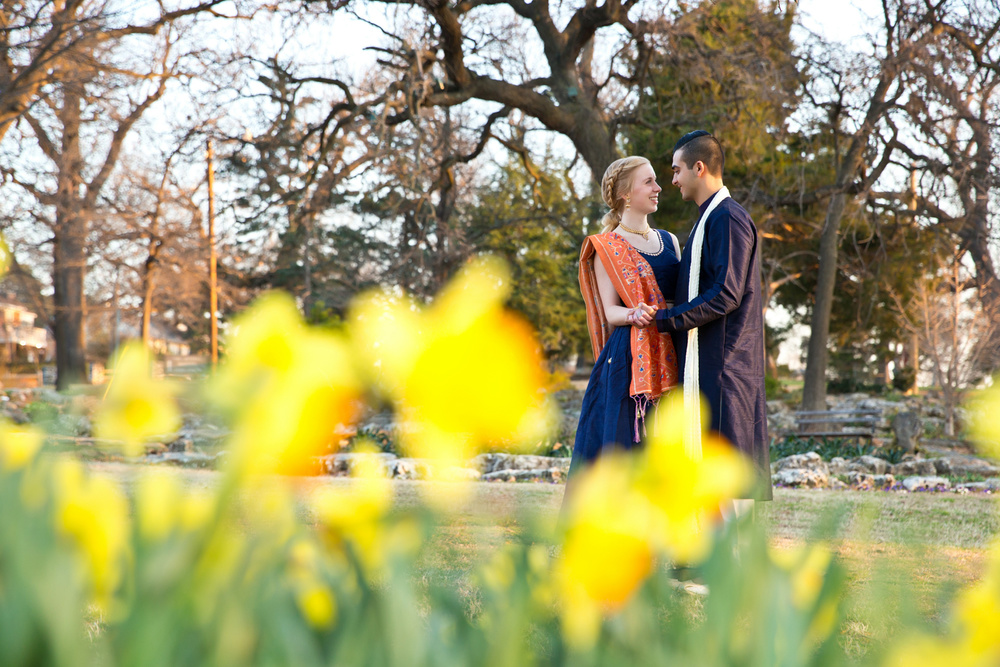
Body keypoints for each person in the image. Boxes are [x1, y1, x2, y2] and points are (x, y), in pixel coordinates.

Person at [654, 130, 772, 506]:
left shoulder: (727, 219)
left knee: (725, 470)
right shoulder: (709, 219)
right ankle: (704, 559)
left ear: (699, 167)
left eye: (676, 170)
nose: (672, 180)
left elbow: (726, 293)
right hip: (712, 362)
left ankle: (729, 564)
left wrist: (666, 319)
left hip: (727, 365)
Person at [568, 156, 681, 478]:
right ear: (625, 194)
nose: (659, 188)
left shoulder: (669, 241)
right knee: (628, 449)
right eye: (649, 182)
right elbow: (610, 311)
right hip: (628, 360)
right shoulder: (606, 246)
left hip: (674, 349)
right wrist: (634, 312)